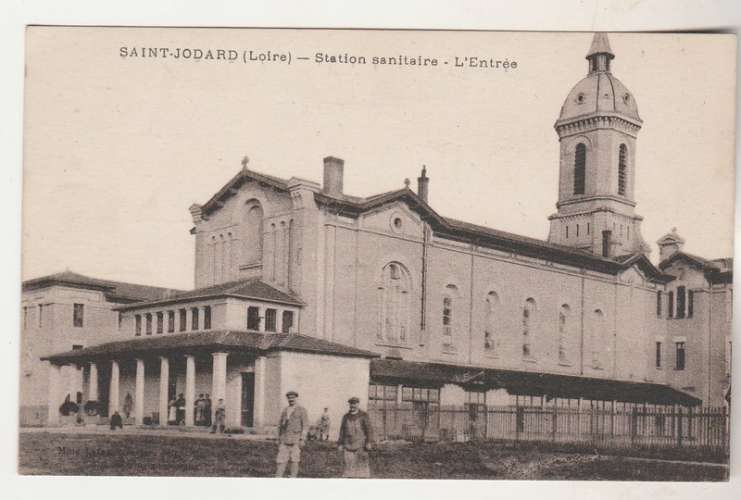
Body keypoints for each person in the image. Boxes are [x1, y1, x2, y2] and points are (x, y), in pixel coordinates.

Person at [337, 396, 375, 478]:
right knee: (349, 468)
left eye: (355, 404)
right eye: (351, 404)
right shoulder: (346, 417)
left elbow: (369, 430)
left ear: (358, 404)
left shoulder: (363, 415)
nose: (353, 406)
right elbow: (342, 431)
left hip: (361, 445)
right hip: (348, 445)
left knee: (362, 468)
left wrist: (369, 442)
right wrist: (340, 443)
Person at [275, 390, 309, 478]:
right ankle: (278, 477)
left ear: (296, 398)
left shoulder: (302, 410)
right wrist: (277, 438)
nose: (291, 399)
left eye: (293, 398)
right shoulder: (285, 410)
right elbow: (279, 425)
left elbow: (305, 426)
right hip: (284, 439)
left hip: (296, 440)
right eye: (289, 398)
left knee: (295, 460)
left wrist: (302, 439)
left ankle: (293, 477)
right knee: (281, 460)